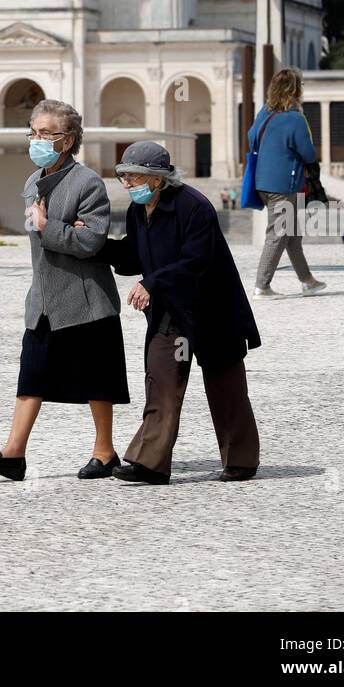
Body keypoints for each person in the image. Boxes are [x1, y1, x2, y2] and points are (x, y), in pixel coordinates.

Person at [0, 99, 129, 483]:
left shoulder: (87, 182)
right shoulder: (32, 181)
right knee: (31, 375)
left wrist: (48, 226)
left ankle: (105, 452)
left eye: (47, 133)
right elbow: (65, 237)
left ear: (68, 138)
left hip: (85, 298)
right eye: (34, 132)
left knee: (97, 379)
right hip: (43, 299)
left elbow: (91, 242)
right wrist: (62, 229)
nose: (38, 139)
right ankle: (13, 454)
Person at [102, 141, 260, 485]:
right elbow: (133, 255)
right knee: (161, 380)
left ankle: (241, 460)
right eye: (124, 176)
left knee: (225, 387)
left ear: (158, 179)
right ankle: (150, 464)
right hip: (170, 314)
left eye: (133, 177)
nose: (127, 183)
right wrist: (97, 246)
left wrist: (152, 284)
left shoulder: (194, 206)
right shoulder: (138, 211)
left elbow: (196, 261)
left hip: (211, 310)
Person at [249, 67, 327, 299]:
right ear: (295, 90)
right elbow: (308, 153)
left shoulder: (265, 112)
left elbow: (251, 137)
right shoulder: (294, 118)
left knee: (291, 234)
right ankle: (262, 286)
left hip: (262, 182)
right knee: (278, 234)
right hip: (284, 185)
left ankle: (308, 281)